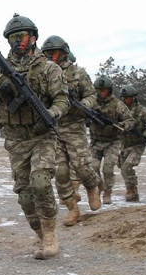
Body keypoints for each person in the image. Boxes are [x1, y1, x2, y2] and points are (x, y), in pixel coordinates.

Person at [0, 14, 69, 258]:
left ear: (33, 37)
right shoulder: (1, 66)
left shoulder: (49, 68)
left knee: (41, 182)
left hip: (42, 135)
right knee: (24, 194)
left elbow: (63, 100)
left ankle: (50, 236)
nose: (18, 42)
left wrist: (52, 113)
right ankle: (39, 235)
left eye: (22, 36)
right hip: (16, 139)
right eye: (13, 38)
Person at [40, 35, 102, 226]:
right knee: (61, 172)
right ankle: (72, 209)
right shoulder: (44, 74)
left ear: (64, 53)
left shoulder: (78, 73)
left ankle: (92, 186)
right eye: (47, 54)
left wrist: (84, 105)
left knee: (82, 166)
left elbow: (92, 95)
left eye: (54, 53)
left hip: (74, 127)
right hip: (54, 128)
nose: (51, 56)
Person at [87, 76, 135, 204]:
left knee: (108, 169)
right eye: (99, 90)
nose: (102, 93)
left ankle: (107, 193)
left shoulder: (117, 104)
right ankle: (99, 187)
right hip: (96, 141)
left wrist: (121, 125)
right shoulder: (91, 103)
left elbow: (130, 120)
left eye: (105, 90)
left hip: (112, 142)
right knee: (92, 167)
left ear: (109, 91)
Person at [119, 85, 146, 202]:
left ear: (134, 98)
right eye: (124, 98)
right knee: (123, 168)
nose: (127, 100)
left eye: (129, 98)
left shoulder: (143, 111)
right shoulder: (119, 110)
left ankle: (131, 190)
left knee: (127, 166)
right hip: (124, 144)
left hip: (138, 144)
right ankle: (133, 190)